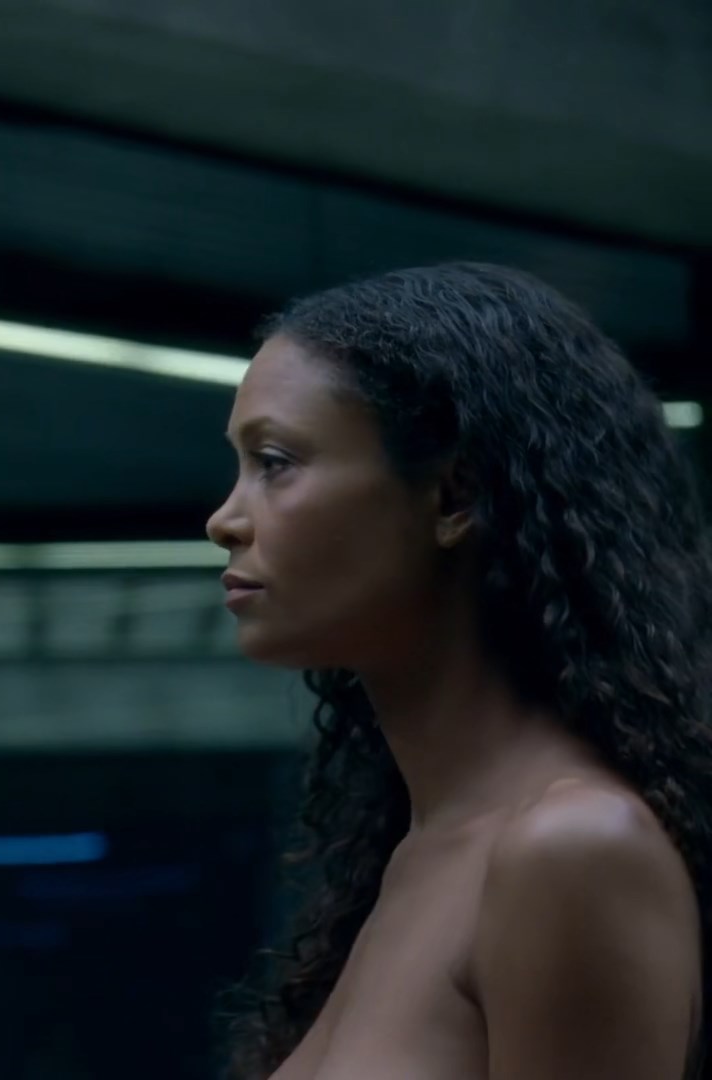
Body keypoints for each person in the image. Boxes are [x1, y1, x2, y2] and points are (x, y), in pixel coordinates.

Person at [209, 263, 712, 1079]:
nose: (224, 520)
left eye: (274, 461)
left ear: (453, 496)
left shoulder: (569, 849)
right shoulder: (418, 850)